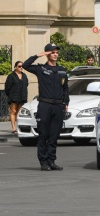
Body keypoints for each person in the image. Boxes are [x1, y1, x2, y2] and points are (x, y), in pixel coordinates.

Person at [22, 43, 69, 171]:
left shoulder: (62, 70)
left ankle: (51, 161)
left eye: (56, 52)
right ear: (47, 54)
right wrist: (39, 55)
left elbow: (65, 88)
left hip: (58, 106)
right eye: (52, 52)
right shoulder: (41, 69)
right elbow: (25, 65)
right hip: (45, 105)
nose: (55, 54)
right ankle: (43, 162)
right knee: (43, 135)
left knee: (54, 135)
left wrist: (66, 103)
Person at [5, 61, 29, 134]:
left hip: (22, 96)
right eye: (19, 66)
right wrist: (10, 95)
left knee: (19, 113)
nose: (21, 67)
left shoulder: (24, 75)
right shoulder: (11, 76)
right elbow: (7, 87)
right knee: (14, 111)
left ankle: (19, 127)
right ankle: (13, 128)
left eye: (22, 66)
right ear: (15, 67)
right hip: (14, 96)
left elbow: (26, 84)